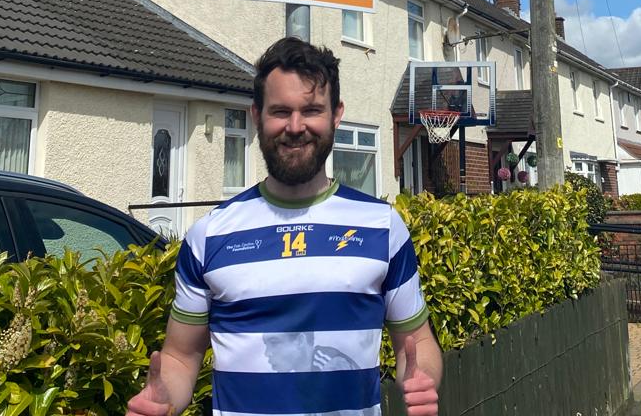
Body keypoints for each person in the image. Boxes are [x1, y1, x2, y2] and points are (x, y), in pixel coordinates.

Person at [125, 36, 441, 416]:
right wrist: (163, 399)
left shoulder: (382, 227)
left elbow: (417, 340)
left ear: (335, 115)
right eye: (280, 111)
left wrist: (421, 377)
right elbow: (181, 355)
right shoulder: (209, 236)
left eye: (311, 110)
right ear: (256, 115)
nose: (295, 126)